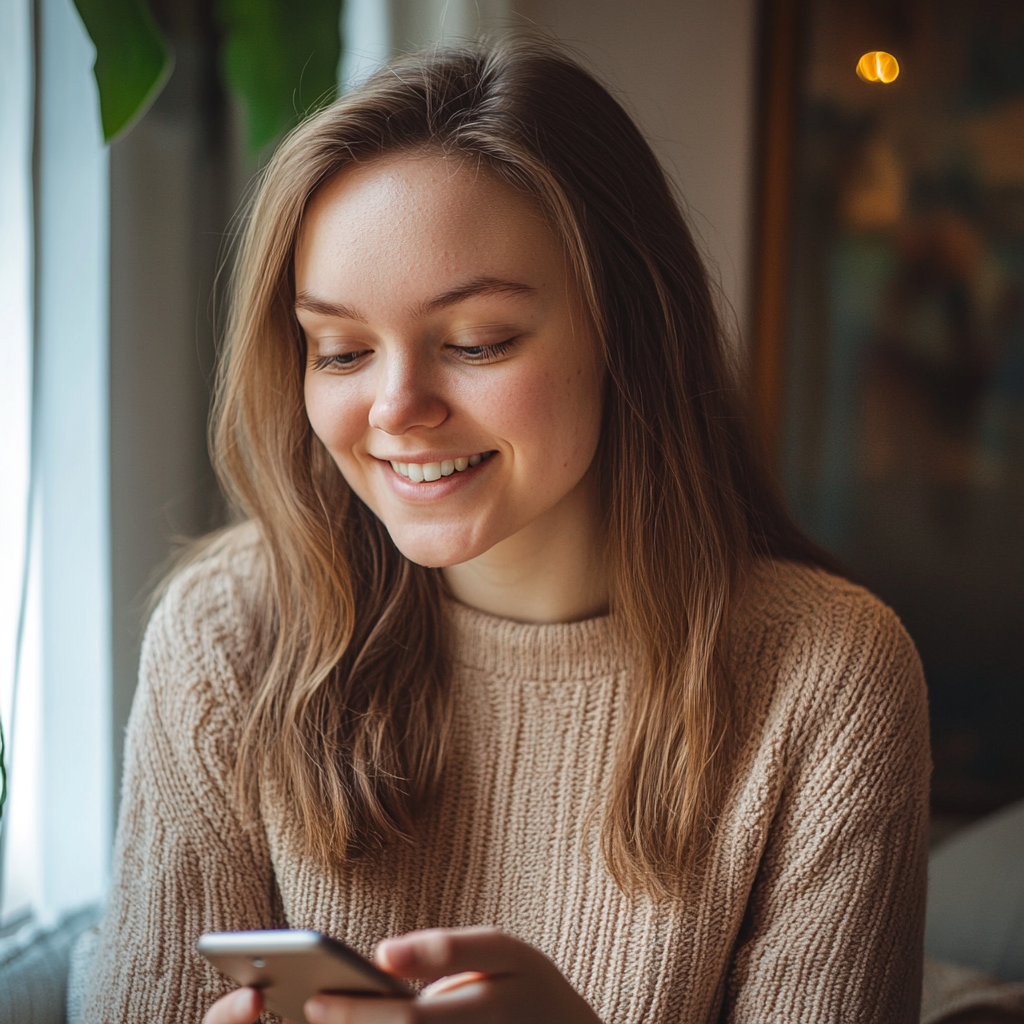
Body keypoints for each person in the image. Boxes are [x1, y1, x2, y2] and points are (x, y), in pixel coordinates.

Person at [81, 40, 931, 1024]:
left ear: (630, 325)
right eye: (341, 349)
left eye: (476, 341)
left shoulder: (828, 679)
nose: (395, 408)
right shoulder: (226, 636)